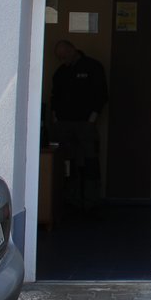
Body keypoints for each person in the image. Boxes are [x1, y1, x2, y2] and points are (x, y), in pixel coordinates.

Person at [50, 40, 108, 212]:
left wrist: (92, 118)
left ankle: (91, 202)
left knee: (90, 161)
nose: (63, 60)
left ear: (72, 50)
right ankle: (70, 201)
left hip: (85, 124)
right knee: (68, 162)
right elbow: (54, 96)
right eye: (60, 58)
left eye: (64, 56)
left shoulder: (92, 67)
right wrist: (55, 118)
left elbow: (101, 94)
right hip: (64, 124)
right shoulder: (61, 72)